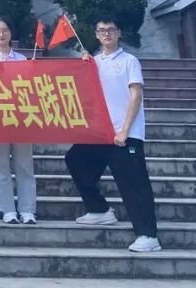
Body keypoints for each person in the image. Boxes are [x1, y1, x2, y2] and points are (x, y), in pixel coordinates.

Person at [65, 15, 161, 253]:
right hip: (99, 133)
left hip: (125, 134)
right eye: (101, 30)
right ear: (96, 35)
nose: (106, 33)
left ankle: (148, 236)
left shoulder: (129, 61)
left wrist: (125, 130)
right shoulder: (94, 62)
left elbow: (136, 95)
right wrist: (84, 65)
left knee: (134, 185)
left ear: (119, 33)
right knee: (75, 159)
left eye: (111, 29)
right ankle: (99, 210)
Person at [0, 16, 37, 225]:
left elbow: (30, 88)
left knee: (24, 166)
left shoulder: (21, 59)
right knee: (0, 167)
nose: (1, 34)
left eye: (4, 30)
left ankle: (27, 210)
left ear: (11, 33)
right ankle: (8, 210)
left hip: (20, 117)